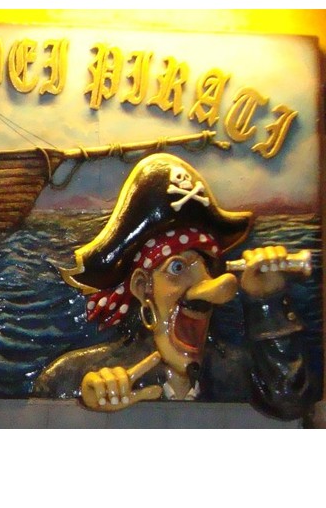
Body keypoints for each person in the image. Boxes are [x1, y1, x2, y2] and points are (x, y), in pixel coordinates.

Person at [32, 153, 314, 420]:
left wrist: (267, 302)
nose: (204, 286)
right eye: (177, 268)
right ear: (143, 287)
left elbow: (289, 401)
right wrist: (85, 407)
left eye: (208, 268)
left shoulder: (238, 371)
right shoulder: (73, 375)